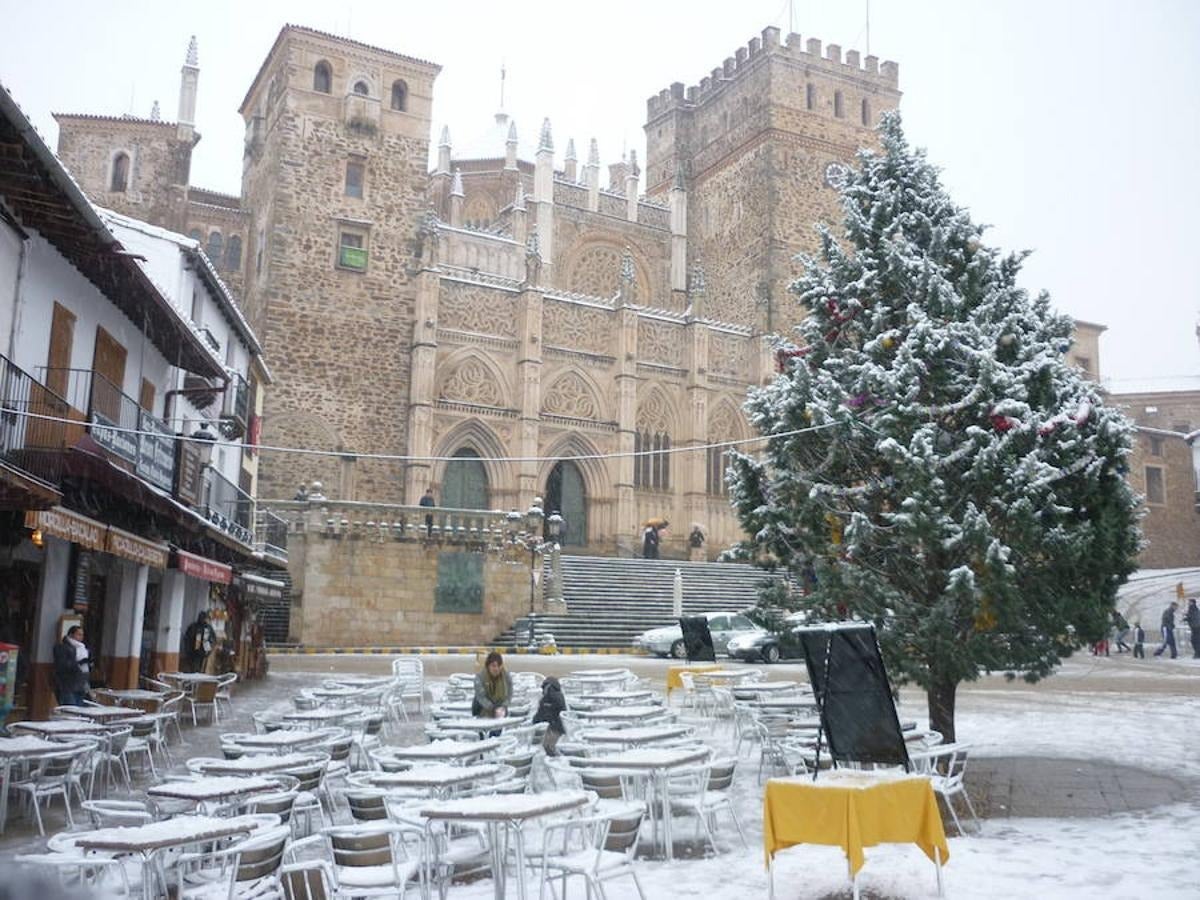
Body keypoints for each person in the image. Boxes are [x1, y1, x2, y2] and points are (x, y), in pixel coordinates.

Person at [52, 625, 89, 707]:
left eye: (82, 635)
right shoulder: (62, 647)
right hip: (68, 685)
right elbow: (62, 665)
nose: (81, 637)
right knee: (70, 708)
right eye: (78, 634)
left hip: (81, 684)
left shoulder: (83, 648)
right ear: (71, 635)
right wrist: (78, 663)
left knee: (80, 709)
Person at [532, 676, 567, 755]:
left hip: (556, 725)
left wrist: (536, 721)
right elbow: (541, 713)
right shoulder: (553, 697)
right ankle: (554, 758)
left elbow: (543, 713)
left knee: (549, 746)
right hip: (554, 725)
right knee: (546, 745)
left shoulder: (553, 697)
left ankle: (558, 759)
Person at [472, 651, 512, 719]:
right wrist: (493, 709)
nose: (496, 669)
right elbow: (481, 697)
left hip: (500, 708)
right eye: (493, 666)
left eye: (499, 666)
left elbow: (509, 694)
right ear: (488, 666)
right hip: (482, 708)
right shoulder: (480, 677)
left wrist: (503, 707)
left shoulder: (506, 676)